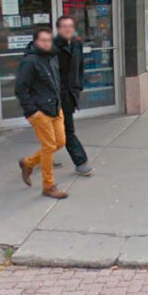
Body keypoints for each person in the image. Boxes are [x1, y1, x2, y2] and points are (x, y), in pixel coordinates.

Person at [15, 27, 68, 199]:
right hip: (40, 111)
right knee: (49, 147)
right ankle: (48, 186)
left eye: (48, 40)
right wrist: (33, 111)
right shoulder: (30, 61)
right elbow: (21, 89)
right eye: (43, 40)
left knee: (60, 142)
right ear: (36, 41)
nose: (46, 44)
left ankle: (28, 163)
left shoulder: (52, 57)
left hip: (55, 108)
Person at [54, 16, 94, 178]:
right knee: (67, 130)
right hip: (56, 96)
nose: (68, 29)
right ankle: (81, 162)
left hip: (70, 93)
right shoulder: (51, 47)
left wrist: (79, 85)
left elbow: (80, 66)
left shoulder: (76, 44)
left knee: (55, 130)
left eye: (70, 26)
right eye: (64, 26)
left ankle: (39, 158)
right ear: (58, 29)